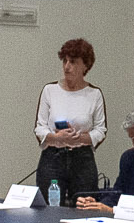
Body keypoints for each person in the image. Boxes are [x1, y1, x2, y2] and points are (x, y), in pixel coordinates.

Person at [33, 37, 107, 206]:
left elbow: (100, 130)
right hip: (53, 157)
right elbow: (39, 128)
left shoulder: (94, 94)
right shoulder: (50, 90)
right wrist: (57, 138)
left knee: (84, 207)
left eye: (73, 62)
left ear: (85, 66)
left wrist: (80, 138)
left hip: (82, 159)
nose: (67, 67)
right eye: (65, 61)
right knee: (49, 207)